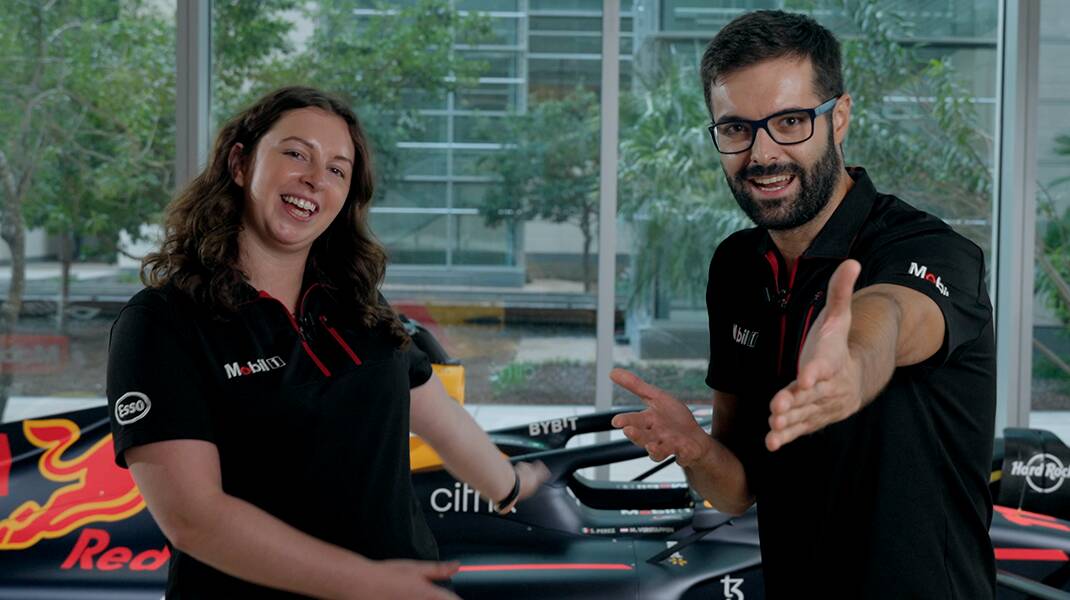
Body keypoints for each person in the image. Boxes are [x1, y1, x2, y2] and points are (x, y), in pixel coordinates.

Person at [106, 86, 547, 600]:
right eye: (296, 153)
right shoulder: (161, 322)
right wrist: (371, 585)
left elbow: (431, 409)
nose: (315, 179)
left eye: (337, 170)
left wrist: (510, 485)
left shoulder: (356, 305)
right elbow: (195, 519)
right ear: (240, 163)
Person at [611, 10, 995, 598]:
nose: (763, 154)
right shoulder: (737, 267)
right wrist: (694, 451)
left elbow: (891, 315)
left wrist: (853, 362)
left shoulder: (928, 248)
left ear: (838, 119)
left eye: (790, 121)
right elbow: (739, 488)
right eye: (737, 128)